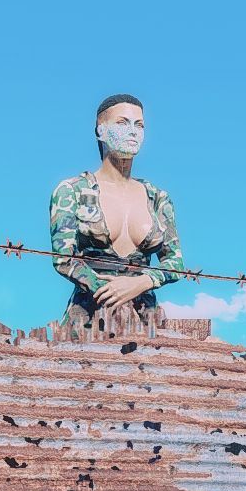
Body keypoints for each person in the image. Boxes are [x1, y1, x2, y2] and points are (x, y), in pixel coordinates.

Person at [49, 93, 183, 332]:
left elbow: (175, 261)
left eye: (139, 125)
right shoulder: (72, 190)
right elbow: (63, 258)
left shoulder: (157, 198)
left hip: (145, 323)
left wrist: (143, 282)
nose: (133, 131)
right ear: (100, 131)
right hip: (87, 322)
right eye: (122, 123)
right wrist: (105, 288)